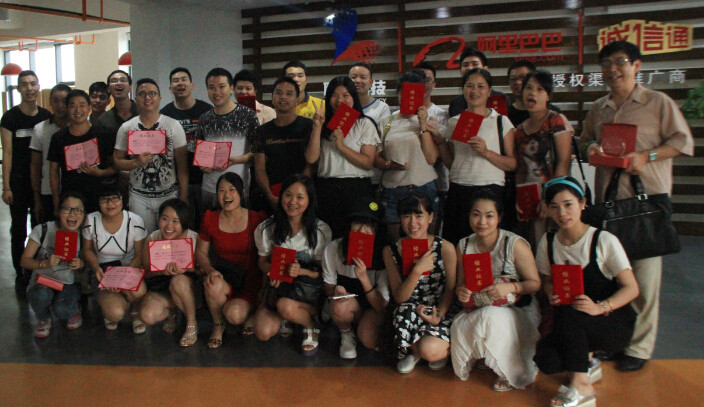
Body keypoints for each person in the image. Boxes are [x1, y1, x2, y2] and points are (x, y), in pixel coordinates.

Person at [579, 40, 693, 372]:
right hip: (609, 206)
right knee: (612, 278)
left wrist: (647, 156)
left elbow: (682, 142)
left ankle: (639, 348)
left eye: (620, 62)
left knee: (644, 280)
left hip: (646, 206)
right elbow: (584, 140)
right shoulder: (598, 108)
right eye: (606, 63)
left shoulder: (658, 102)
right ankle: (616, 341)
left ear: (637, 66)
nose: (612, 69)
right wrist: (590, 149)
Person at [533, 176, 639, 407]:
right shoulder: (548, 242)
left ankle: (582, 386)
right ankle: (588, 363)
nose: (562, 213)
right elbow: (546, 281)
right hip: (572, 321)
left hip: (610, 321)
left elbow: (632, 288)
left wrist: (600, 307)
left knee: (573, 312)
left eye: (568, 204)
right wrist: (550, 291)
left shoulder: (603, 240)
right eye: (554, 207)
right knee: (547, 361)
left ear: (582, 204)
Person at [450, 189, 541, 390]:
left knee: (491, 316)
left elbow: (535, 283)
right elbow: (461, 284)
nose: (482, 221)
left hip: (517, 310)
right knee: (459, 323)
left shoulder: (514, 244)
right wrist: (461, 291)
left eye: (489, 215)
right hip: (477, 307)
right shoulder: (463, 245)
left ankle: (510, 372)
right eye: (476, 214)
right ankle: (484, 353)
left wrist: (512, 287)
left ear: (499, 218)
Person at [433, 68, 516, 245]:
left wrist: (486, 152)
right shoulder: (454, 122)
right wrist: (440, 142)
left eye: (481, 86)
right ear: (463, 90)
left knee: (488, 244)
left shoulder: (501, 121)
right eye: (469, 86)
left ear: (489, 91)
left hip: (491, 189)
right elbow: (452, 163)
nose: (474, 91)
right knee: (457, 242)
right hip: (459, 189)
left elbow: (512, 163)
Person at [253, 174, 332, 356]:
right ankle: (288, 317)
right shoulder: (267, 228)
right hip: (279, 289)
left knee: (285, 306)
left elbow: (324, 273)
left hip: (308, 293)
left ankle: (310, 326)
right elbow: (262, 262)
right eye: (288, 195)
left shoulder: (320, 230)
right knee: (263, 332)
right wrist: (273, 271)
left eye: (300, 197)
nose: (292, 202)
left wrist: (302, 271)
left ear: (309, 200)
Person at [382, 191, 457, 374]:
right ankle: (414, 353)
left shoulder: (445, 248)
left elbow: (450, 289)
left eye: (419, 215)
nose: (412, 223)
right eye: (406, 216)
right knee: (403, 313)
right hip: (409, 309)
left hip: (439, 308)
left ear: (430, 217)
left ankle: (433, 351)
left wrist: (437, 315)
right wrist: (417, 271)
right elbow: (399, 297)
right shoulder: (391, 251)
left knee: (430, 349)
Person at [195, 173, 268, 348]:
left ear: (242, 193)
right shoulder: (210, 218)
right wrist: (210, 270)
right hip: (225, 277)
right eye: (221, 190)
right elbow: (201, 252)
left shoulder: (257, 219)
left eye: (232, 190)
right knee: (212, 283)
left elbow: (267, 257)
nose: (226, 195)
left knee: (234, 315)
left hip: (251, 281)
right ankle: (218, 325)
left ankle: (251, 311)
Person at [305, 75, 380, 238]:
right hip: (326, 189)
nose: (340, 100)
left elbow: (368, 162)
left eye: (345, 95)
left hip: (356, 189)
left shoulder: (364, 123)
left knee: (357, 238)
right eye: (334, 95)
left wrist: (341, 146)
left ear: (353, 97)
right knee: (327, 236)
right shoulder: (322, 124)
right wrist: (317, 127)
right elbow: (311, 159)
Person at [113, 78, 189, 234]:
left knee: (169, 237)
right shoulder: (127, 128)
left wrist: (183, 197)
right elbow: (117, 161)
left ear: (159, 98)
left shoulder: (173, 126)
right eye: (142, 94)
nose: (147, 97)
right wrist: (136, 163)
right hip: (139, 197)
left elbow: (182, 167)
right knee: (142, 238)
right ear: (136, 98)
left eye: (152, 93)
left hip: (168, 195)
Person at [375, 71, 441, 241]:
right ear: (398, 94)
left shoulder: (430, 120)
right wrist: (389, 165)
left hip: (424, 188)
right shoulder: (386, 122)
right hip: (393, 190)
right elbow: (377, 159)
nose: (408, 97)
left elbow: (431, 158)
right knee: (395, 244)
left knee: (428, 243)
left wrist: (422, 124)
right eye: (403, 93)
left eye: (414, 93)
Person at [1, 70, 51, 288]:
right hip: (19, 180)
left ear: (38, 86)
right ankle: (20, 273)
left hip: (40, 180)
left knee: (39, 226)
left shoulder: (45, 116)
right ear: (19, 88)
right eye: (24, 84)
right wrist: (6, 187)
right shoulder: (10, 118)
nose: (29, 88)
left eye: (33, 83)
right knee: (19, 228)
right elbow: (7, 153)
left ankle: (37, 269)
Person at [322, 196, 389, 359]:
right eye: (358, 223)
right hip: (348, 305)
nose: (362, 230)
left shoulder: (383, 254)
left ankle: (363, 330)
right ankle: (346, 333)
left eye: (369, 225)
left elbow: (381, 306)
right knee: (339, 307)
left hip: (372, 308)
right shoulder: (334, 249)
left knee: (369, 340)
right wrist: (336, 290)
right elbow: (328, 287)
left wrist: (364, 278)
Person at [514, 70, 574, 250]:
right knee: (535, 247)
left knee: (557, 246)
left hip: (556, 195)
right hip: (531, 198)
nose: (532, 93)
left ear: (548, 96)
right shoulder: (519, 130)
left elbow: (564, 161)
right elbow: (521, 170)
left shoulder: (556, 120)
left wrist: (551, 198)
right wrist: (520, 198)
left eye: (540, 89)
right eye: (528, 88)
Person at [82, 187, 148, 333]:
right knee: (116, 313)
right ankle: (112, 306)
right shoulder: (91, 220)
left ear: (123, 200)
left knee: (138, 292)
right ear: (98, 202)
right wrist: (96, 267)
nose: (110, 203)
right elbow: (87, 250)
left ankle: (135, 310)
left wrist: (121, 279)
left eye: (115, 198)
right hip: (102, 272)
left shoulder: (135, 221)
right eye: (104, 199)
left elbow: (139, 255)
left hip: (129, 269)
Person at [21, 192, 87, 338]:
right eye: (67, 209)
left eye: (78, 210)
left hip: (69, 283)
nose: (72, 214)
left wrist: (81, 263)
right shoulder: (43, 230)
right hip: (42, 281)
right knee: (39, 296)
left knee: (62, 310)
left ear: (83, 215)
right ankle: (44, 318)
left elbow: (87, 265)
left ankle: (74, 310)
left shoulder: (84, 235)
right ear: (58, 211)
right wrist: (43, 263)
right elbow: (24, 261)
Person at [195, 68, 260, 209]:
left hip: (238, 188)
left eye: (221, 86)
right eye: (211, 87)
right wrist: (203, 165)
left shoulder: (247, 115)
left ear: (231, 88)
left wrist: (235, 161)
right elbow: (200, 154)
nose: (216, 92)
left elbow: (258, 152)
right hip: (210, 188)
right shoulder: (204, 119)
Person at [139, 198, 201, 346]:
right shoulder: (152, 238)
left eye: (175, 221)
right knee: (147, 315)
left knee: (178, 281)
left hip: (190, 289)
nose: (169, 226)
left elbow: (204, 271)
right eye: (165, 219)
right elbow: (146, 273)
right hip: (163, 287)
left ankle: (191, 323)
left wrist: (188, 269)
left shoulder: (195, 238)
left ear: (184, 222)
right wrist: (162, 272)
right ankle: (173, 311)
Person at [48, 89, 117, 215]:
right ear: (67, 109)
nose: (78, 110)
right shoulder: (58, 138)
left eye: (82, 105)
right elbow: (53, 173)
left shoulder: (103, 134)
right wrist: (57, 202)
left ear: (89, 107)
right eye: (73, 106)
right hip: (70, 198)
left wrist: (100, 173)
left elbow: (115, 167)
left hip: (99, 197)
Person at [160, 67, 213, 230]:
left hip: (205, 178)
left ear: (192, 85)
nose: (180, 83)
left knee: (205, 223)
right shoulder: (165, 114)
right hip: (176, 180)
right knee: (183, 224)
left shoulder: (206, 110)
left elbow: (214, 141)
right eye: (175, 81)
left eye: (184, 79)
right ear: (170, 88)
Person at [252, 77, 314, 213]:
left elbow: (311, 164)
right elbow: (260, 169)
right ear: (272, 98)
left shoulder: (309, 126)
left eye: (289, 93)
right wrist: (270, 196)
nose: (283, 97)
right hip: (273, 195)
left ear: (297, 99)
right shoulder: (261, 131)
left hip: (303, 197)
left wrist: (299, 194)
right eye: (279, 93)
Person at [30, 84, 71, 223]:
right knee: (50, 231)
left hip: (73, 189)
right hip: (47, 191)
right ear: (50, 102)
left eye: (64, 101)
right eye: (56, 100)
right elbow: (35, 165)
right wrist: (36, 197)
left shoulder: (80, 127)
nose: (60, 105)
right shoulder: (40, 129)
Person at [448, 47, 509, 118]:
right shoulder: (456, 103)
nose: (470, 68)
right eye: (465, 65)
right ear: (461, 72)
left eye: (475, 64)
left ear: (485, 70)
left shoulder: (501, 99)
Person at [506, 61, 562, 127]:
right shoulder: (505, 114)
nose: (518, 82)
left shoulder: (553, 113)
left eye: (523, 77)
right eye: (513, 79)